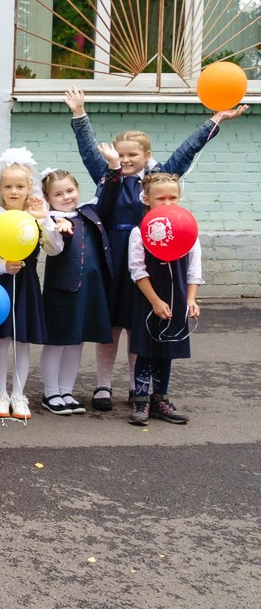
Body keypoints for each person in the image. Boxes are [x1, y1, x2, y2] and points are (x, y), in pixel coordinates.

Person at [64, 88, 246, 410]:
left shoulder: (159, 178)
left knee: (139, 324)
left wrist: (215, 119)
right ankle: (103, 386)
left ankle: (138, 387)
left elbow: (186, 152)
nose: (126, 160)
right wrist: (79, 113)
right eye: (121, 155)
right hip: (111, 257)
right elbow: (88, 152)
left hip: (145, 261)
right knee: (112, 324)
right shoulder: (107, 175)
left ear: (147, 156)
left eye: (133, 155)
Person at [38, 145, 122, 415]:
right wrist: (54, 224)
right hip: (61, 290)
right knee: (57, 341)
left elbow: (109, 195)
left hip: (91, 290)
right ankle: (50, 393)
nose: (66, 197)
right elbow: (52, 245)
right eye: (58, 194)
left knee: (77, 341)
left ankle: (66, 390)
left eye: (69, 191)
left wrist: (113, 167)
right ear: (48, 198)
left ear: (78, 190)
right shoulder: (49, 219)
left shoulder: (89, 212)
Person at [0, 148, 58, 421]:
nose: (14, 191)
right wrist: (2, 265)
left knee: (22, 340)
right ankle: (0, 392)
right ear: (0, 188)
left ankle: (19, 394)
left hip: (26, 283)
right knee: (1, 339)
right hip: (0, 284)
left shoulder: (37, 216)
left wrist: (44, 218)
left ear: (29, 188)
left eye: (20, 186)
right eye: (8, 186)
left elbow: (56, 249)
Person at [126, 173, 203, 426]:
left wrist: (191, 299)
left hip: (177, 300)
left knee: (167, 351)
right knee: (146, 351)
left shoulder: (189, 230)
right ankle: (140, 399)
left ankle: (160, 399)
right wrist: (156, 301)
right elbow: (138, 271)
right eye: (161, 198)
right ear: (146, 199)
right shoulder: (140, 232)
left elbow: (194, 270)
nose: (168, 203)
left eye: (174, 197)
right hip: (149, 300)